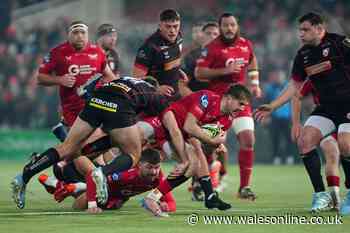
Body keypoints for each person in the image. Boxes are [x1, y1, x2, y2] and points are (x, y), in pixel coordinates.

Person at [11, 76, 182, 209]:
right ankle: (101, 173)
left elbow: (95, 89)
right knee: (133, 154)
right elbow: (174, 130)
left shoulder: (126, 80)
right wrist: (183, 157)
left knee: (67, 147)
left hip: (97, 99)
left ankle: (24, 176)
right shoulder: (158, 98)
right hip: (120, 104)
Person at [254, 12, 350, 215]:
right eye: (300, 30)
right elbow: (295, 86)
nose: (301, 34)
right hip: (326, 107)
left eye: (305, 29)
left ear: (319, 28)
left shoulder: (340, 44)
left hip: (348, 105)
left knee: (345, 143)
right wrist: (273, 106)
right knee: (305, 141)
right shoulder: (303, 55)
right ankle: (320, 196)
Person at [142, 84, 252, 215]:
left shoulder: (227, 119)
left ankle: (208, 196)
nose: (242, 108)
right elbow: (189, 126)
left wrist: (216, 145)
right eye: (240, 103)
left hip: (184, 135)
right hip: (166, 129)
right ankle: (150, 198)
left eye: (244, 105)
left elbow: (203, 136)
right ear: (228, 98)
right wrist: (212, 141)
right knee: (191, 162)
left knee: (195, 160)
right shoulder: (207, 99)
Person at [195, 13, 261, 200]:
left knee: (248, 139)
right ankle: (203, 184)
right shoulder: (211, 48)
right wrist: (226, 71)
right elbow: (199, 73)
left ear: (237, 25)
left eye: (232, 25)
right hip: (219, 103)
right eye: (225, 25)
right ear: (220, 27)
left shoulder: (245, 44)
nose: (229, 28)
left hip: (240, 101)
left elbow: (253, 60)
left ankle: (244, 187)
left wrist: (255, 83)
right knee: (210, 145)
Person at [132, 9, 184, 100]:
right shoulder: (149, 47)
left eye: (175, 26)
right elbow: (136, 78)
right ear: (160, 26)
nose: (172, 30)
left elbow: (169, 61)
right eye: (168, 27)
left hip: (176, 95)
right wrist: (156, 88)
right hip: (157, 99)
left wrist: (177, 71)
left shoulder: (179, 38)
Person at [181, 22, 219, 95]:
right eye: (208, 33)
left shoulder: (226, 55)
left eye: (215, 34)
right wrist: (193, 98)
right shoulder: (191, 56)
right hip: (198, 97)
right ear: (203, 35)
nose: (212, 36)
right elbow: (182, 82)